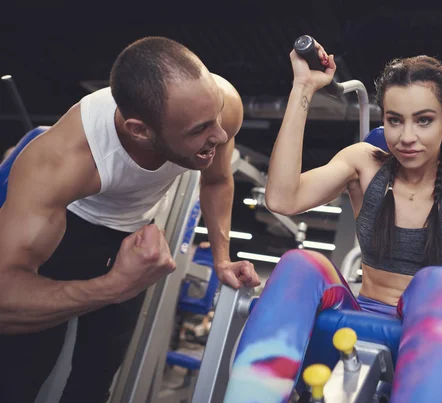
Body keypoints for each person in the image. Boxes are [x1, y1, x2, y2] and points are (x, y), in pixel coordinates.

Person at [224, 37, 442, 403]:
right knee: (299, 263)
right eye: (394, 120)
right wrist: (303, 86)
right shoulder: (365, 163)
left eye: (423, 121)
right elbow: (281, 198)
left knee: (438, 280)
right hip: (361, 310)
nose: (406, 137)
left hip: (439, 320)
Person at [0, 36, 260, 403]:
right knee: (25, 367)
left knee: (97, 374)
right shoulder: (61, 163)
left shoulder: (223, 107)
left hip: (130, 235)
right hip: (67, 232)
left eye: (216, 118)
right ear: (140, 131)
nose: (219, 134)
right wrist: (113, 286)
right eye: (199, 130)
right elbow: (4, 300)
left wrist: (222, 258)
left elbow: (217, 180)